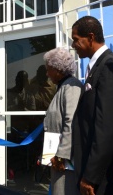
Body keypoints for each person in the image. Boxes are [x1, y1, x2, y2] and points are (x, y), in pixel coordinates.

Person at [71, 16, 113, 195]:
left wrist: (91, 176)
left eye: (75, 40)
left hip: (101, 178)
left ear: (90, 37)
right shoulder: (97, 65)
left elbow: (106, 128)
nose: (73, 45)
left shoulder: (109, 66)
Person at [42, 47, 83, 195]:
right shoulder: (62, 87)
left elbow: (71, 121)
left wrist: (61, 155)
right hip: (57, 158)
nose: (47, 74)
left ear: (58, 68)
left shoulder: (72, 87)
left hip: (65, 162)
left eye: (49, 69)